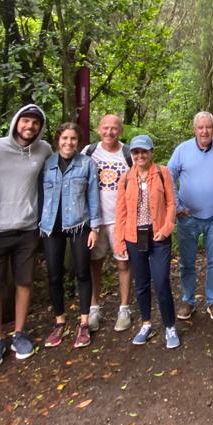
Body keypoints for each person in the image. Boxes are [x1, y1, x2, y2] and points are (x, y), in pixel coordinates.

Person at [0, 104, 51, 370]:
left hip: (27, 227)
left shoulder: (44, 150)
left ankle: (19, 333)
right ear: (16, 122)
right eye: (25, 121)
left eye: (35, 123)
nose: (29, 127)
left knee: (24, 281)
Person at [38, 123, 101, 350]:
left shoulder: (86, 164)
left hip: (79, 224)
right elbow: (40, 196)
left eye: (73, 139)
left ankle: (84, 322)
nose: (68, 143)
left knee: (82, 271)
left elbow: (93, 197)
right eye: (65, 138)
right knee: (54, 274)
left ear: (78, 141)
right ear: (58, 140)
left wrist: (95, 228)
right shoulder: (47, 164)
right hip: (50, 225)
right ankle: (59, 321)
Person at [114, 134, 180, 349]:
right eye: (136, 152)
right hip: (135, 236)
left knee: (161, 282)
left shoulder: (162, 172)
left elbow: (171, 202)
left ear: (151, 152)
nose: (140, 155)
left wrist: (167, 227)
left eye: (144, 151)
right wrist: (120, 241)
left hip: (159, 235)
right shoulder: (125, 179)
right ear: (131, 154)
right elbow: (120, 213)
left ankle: (170, 326)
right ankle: (146, 323)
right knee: (141, 283)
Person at [168, 111, 213, 320]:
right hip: (187, 217)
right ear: (195, 129)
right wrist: (177, 206)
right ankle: (188, 300)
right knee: (187, 262)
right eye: (200, 127)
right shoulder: (182, 150)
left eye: (208, 127)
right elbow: (168, 176)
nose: (204, 131)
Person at [82, 114, 133, 333]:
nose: (109, 132)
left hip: (119, 219)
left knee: (123, 263)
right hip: (95, 220)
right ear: (98, 129)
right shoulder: (89, 152)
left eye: (114, 128)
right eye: (105, 128)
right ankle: (94, 307)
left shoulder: (127, 153)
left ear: (120, 131)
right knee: (95, 262)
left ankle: (124, 308)